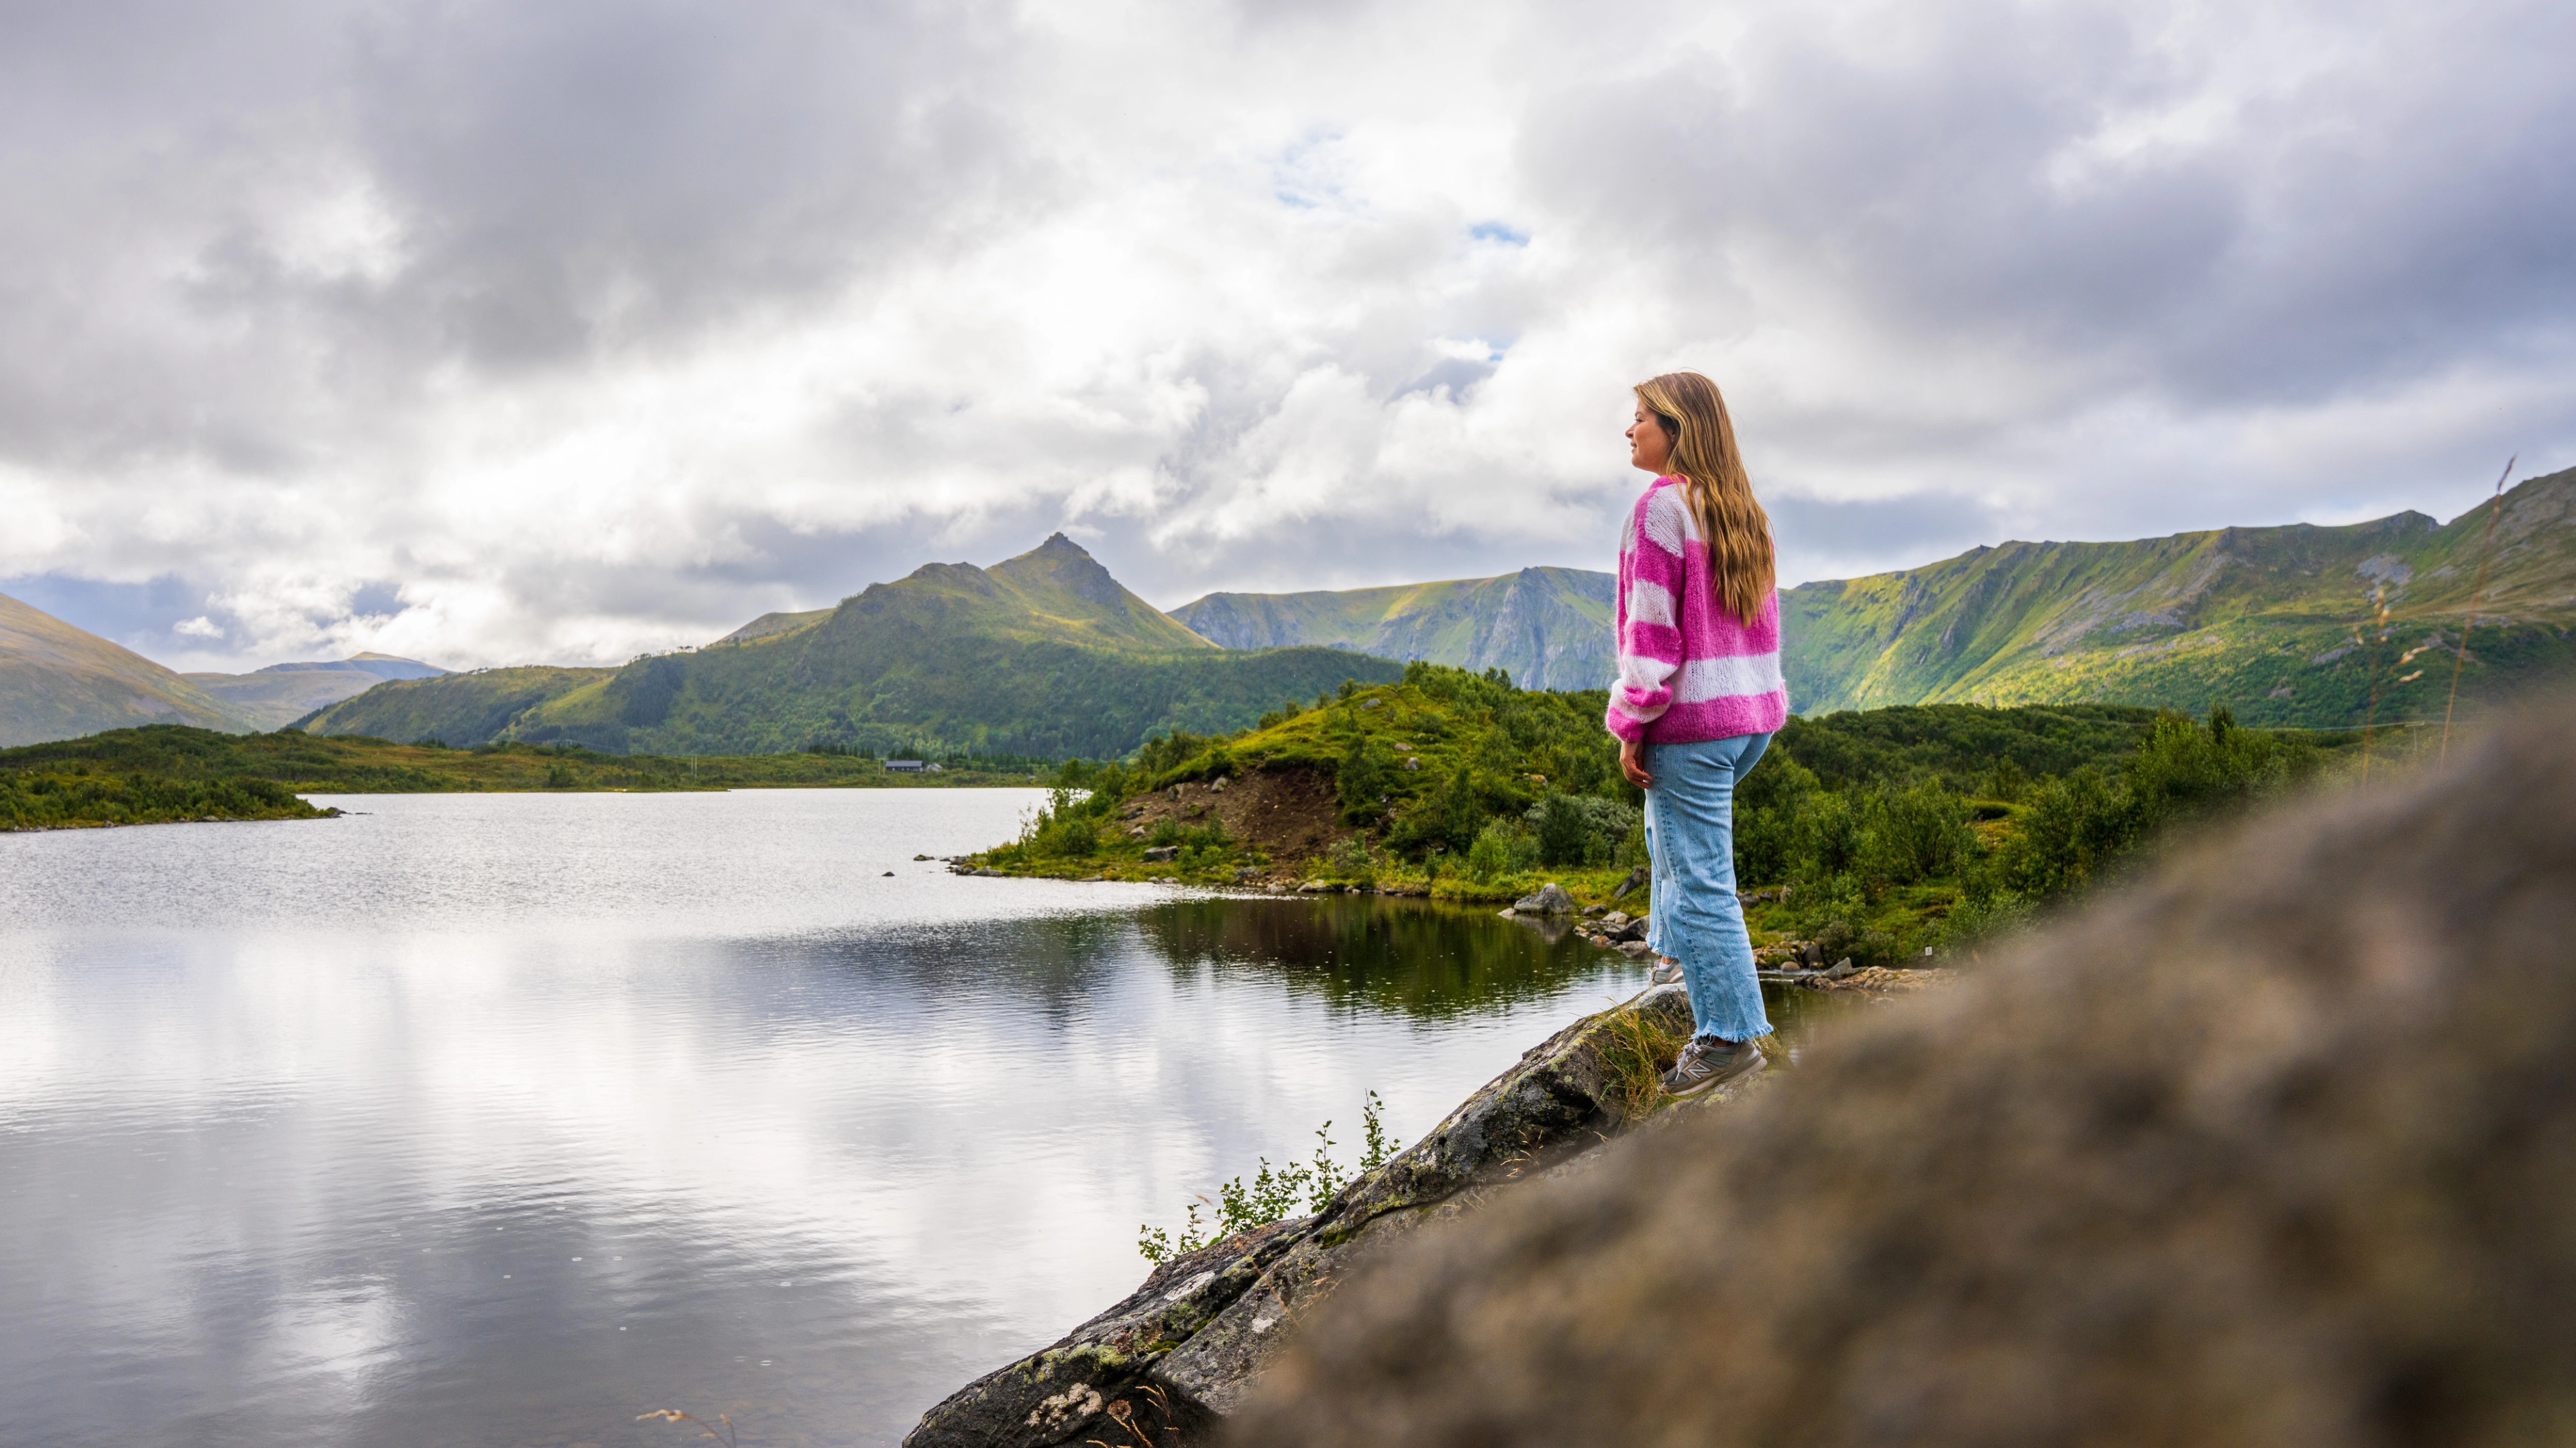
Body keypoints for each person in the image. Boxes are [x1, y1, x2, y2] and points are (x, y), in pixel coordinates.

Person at [1605, 371, 1787, 1096]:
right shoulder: (1741, 509)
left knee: (1704, 880)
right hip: (1750, 720)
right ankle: (1683, 970)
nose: (1630, 428)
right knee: (1670, 847)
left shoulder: (1660, 512)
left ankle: (1728, 1037)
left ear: (1676, 429)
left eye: (1642, 417)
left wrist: (1631, 723)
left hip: (1691, 726)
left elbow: (1650, 639)